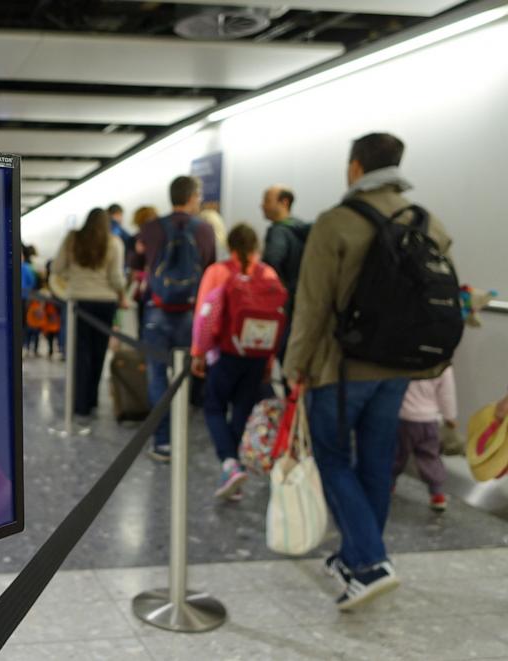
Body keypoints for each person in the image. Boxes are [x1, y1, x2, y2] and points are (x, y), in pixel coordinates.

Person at [284, 132, 454, 611]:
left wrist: (294, 365)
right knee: (376, 463)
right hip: (398, 368)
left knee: (333, 459)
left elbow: (312, 306)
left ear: (355, 167)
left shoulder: (336, 223)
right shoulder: (427, 222)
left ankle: (372, 562)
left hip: (340, 369)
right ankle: (354, 557)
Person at [191, 223, 283, 499]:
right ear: (256, 247)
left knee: (214, 407)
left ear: (229, 246)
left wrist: (198, 352)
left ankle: (230, 464)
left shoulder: (217, 272)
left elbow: (204, 316)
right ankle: (235, 469)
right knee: (242, 409)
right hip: (256, 356)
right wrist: (269, 360)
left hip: (224, 354)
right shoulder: (268, 274)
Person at [134, 176, 216, 461]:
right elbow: (211, 274)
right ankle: (181, 440)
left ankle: (163, 443)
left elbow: (136, 266)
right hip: (190, 313)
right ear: (192, 196)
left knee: (157, 376)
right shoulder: (205, 229)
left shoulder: (150, 228)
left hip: (156, 310)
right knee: (185, 376)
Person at [52, 208, 126, 419]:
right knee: (98, 352)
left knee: (79, 354)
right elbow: (116, 278)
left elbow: (57, 267)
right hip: (105, 302)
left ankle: (79, 402)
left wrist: (73, 277)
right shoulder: (114, 243)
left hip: (79, 302)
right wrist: (122, 295)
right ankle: (92, 399)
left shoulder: (72, 239)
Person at [392, 366, 457, 512]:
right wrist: (449, 416)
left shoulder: (408, 357)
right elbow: (447, 394)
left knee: (396, 454)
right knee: (430, 456)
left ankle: (388, 484)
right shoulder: (443, 366)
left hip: (403, 417)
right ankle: (437, 494)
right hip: (428, 421)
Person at [260, 185, 309, 363]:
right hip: (301, 305)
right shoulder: (303, 230)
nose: (261, 205)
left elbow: (270, 267)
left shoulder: (278, 232)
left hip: (281, 308)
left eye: (267, 200)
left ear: (284, 202)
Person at [129, 205, 159, 338]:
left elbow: (132, 266)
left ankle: (143, 349)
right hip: (154, 286)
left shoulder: (135, 238)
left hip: (143, 286)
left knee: (143, 321)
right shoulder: (161, 237)